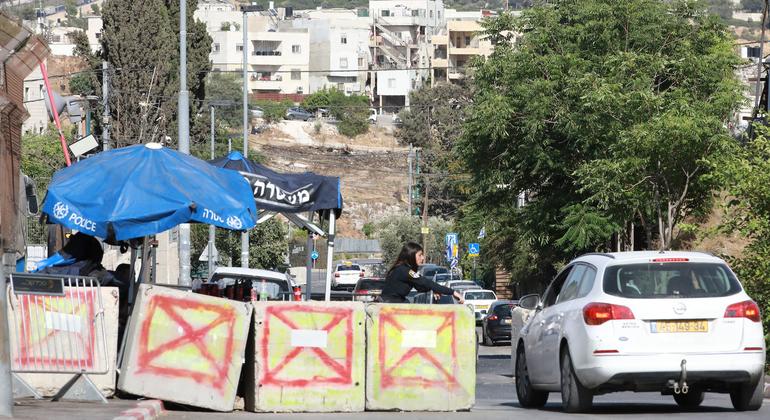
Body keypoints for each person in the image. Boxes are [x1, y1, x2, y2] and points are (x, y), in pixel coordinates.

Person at [379, 241, 465, 304]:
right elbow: (426, 282)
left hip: (392, 304)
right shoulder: (405, 271)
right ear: (411, 256)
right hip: (391, 306)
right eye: (420, 255)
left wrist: (433, 289)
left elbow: (420, 287)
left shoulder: (402, 269)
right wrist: (453, 292)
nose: (423, 258)